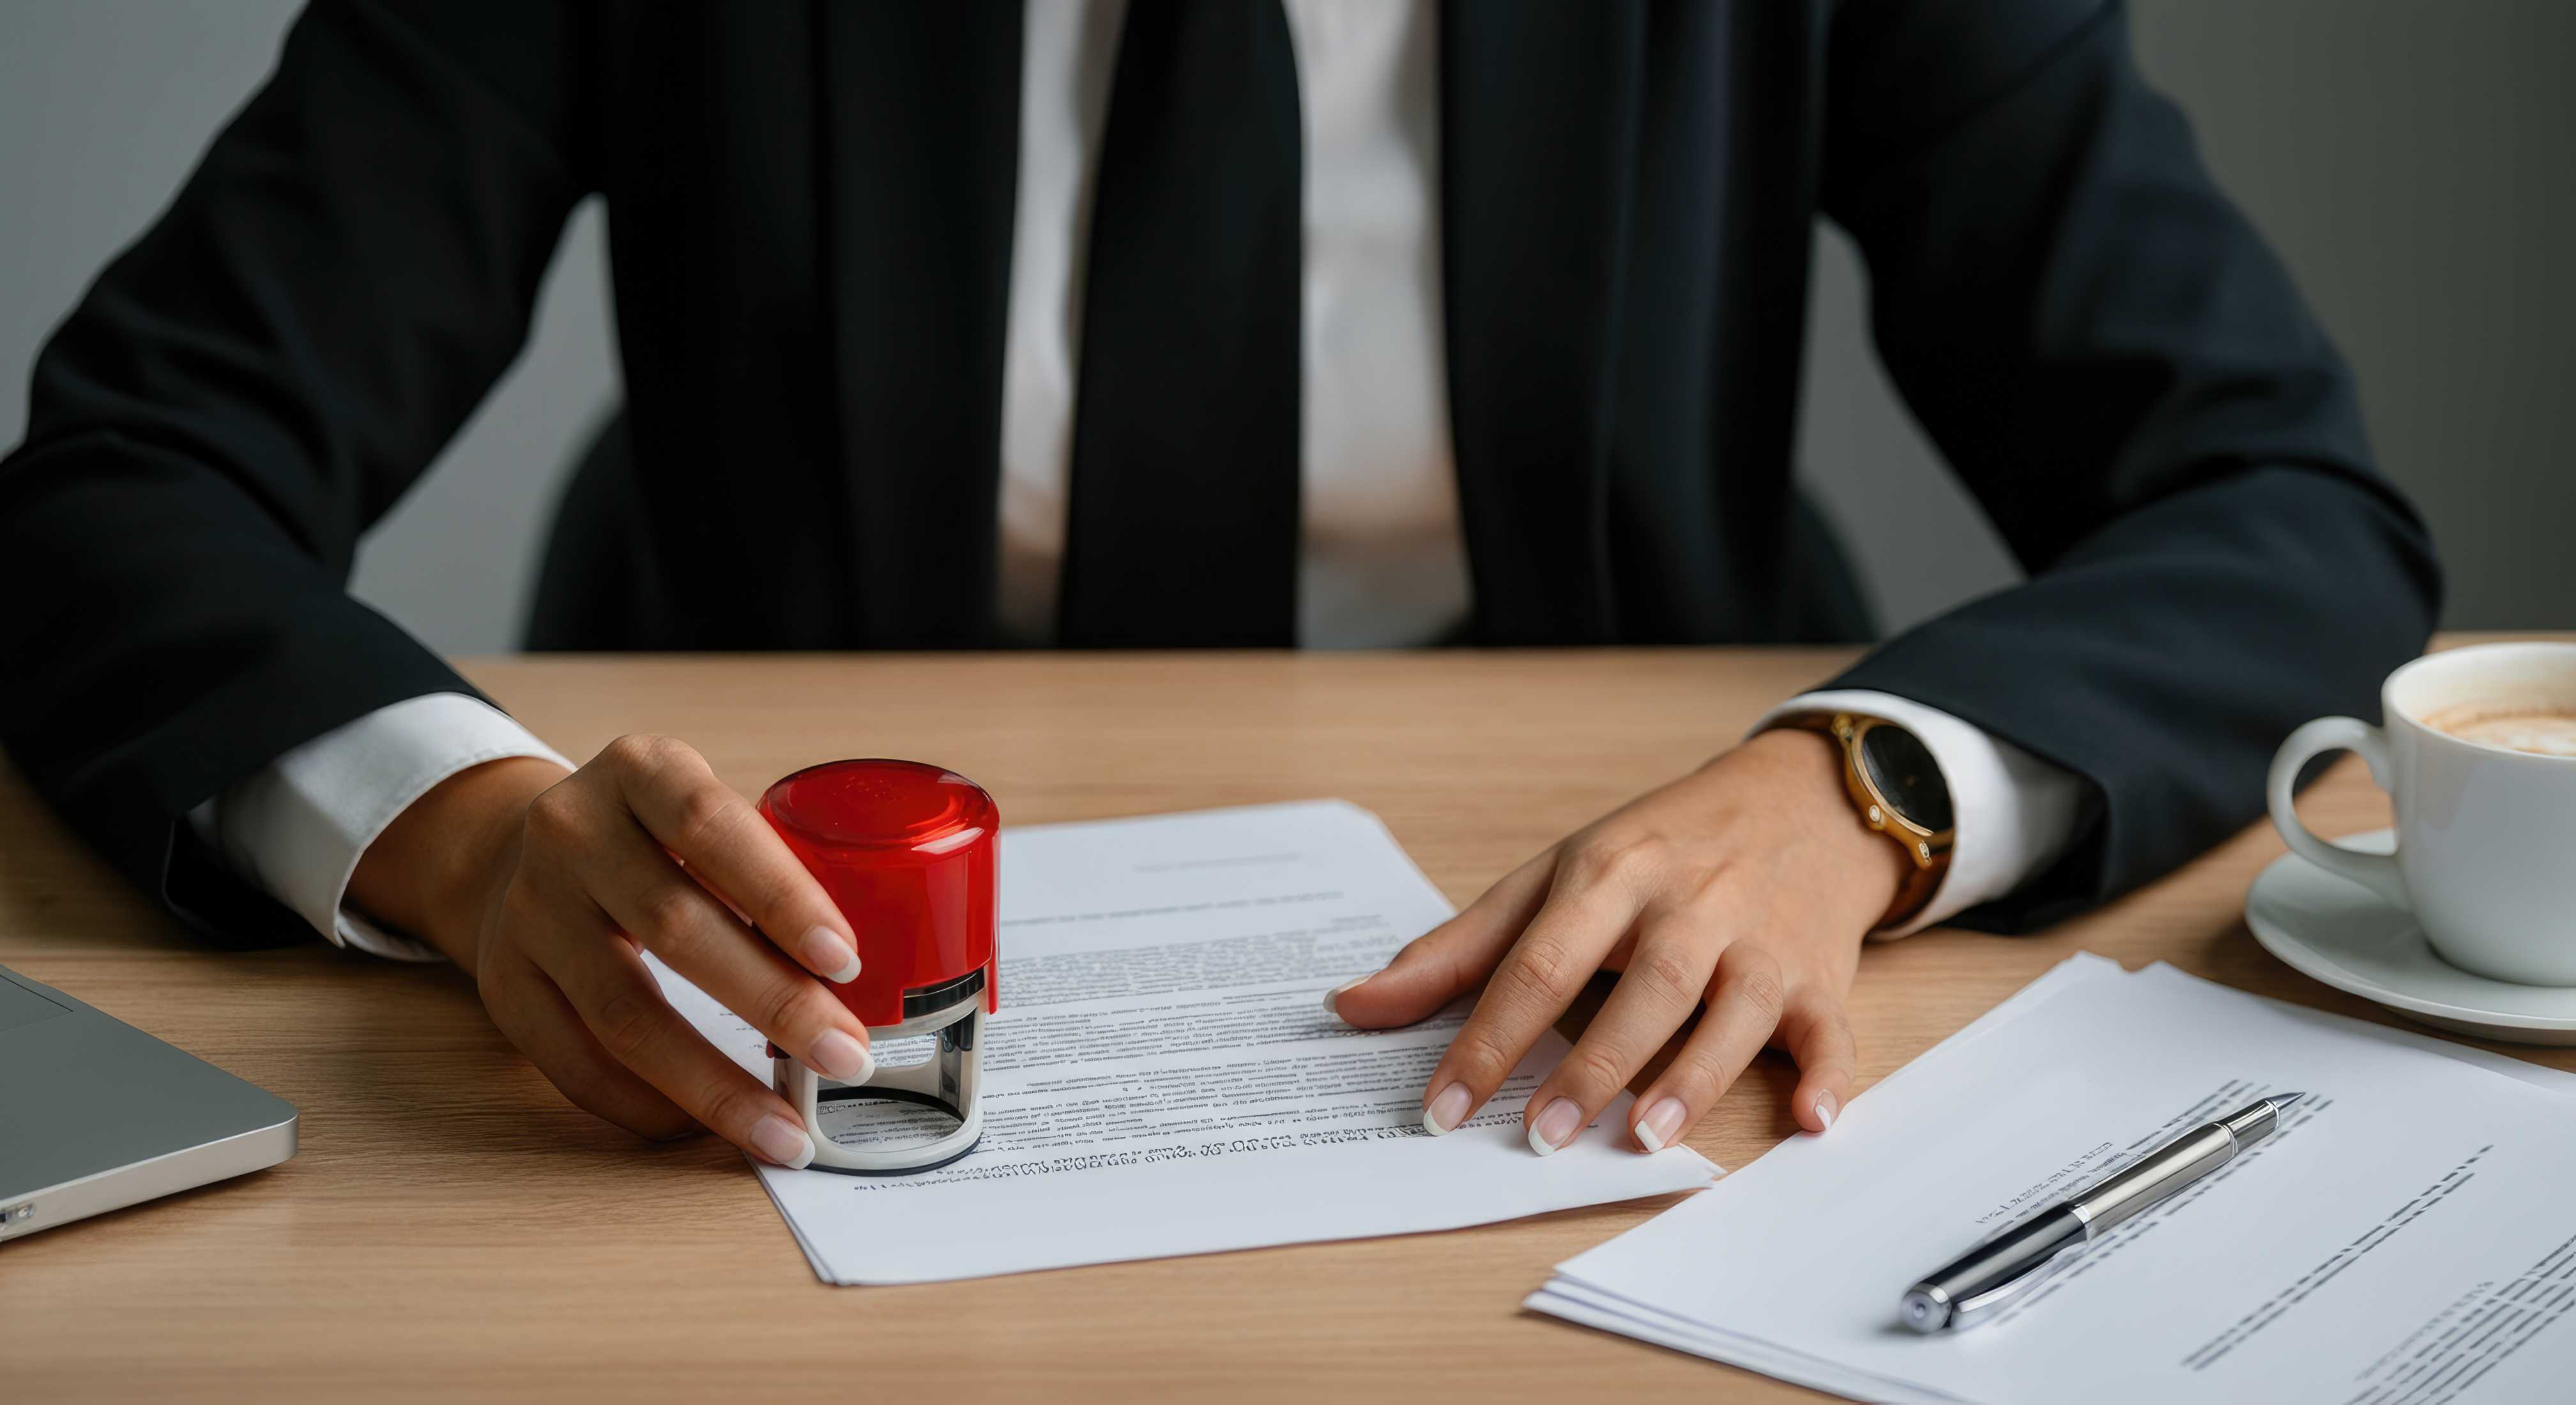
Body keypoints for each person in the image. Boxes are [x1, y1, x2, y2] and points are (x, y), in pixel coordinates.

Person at [0, 1, 2435, 1172]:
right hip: (811, 955)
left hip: (1568, 922)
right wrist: (461, 830)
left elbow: (2282, 502)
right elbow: (120, 475)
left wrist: (1863, 794)